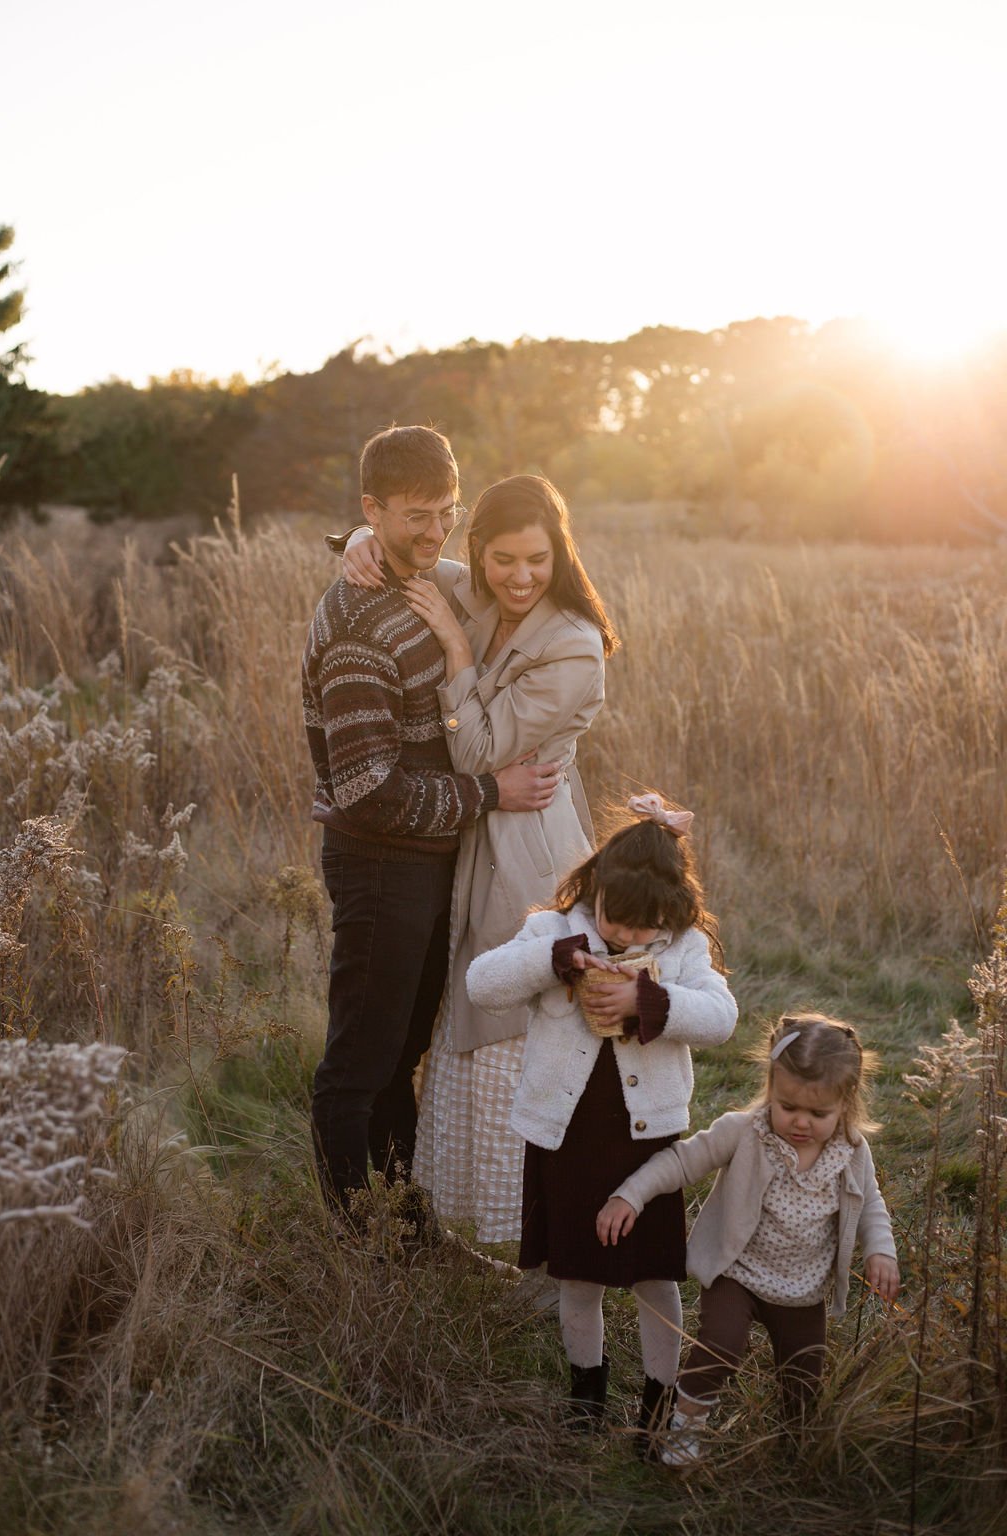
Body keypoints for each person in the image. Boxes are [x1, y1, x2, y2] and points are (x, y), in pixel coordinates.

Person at [340, 473, 617, 1243]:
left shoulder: (572, 647)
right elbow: (403, 552)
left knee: (510, 1026)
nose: (519, 577)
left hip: (527, 854)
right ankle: (459, 1222)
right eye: (502, 560)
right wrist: (360, 543)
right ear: (479, 552)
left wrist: (456, 648)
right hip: (464, 842)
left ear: (558, 553)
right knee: (453, 1025)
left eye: (536, 559)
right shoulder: (472, 590)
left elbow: (481, 754)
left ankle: (523, 1232)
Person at [301, 426, 561, 1214]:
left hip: (426, 856)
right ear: (372, 508)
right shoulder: (353, 627)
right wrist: (489, 792)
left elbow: (497, 572)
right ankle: (357, 1245)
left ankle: (398, 1216)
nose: (434, 529)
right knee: (362, 1060)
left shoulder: (419, 579)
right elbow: (368, 791)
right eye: (416, 514)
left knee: (403, 1049)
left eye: (445, 509)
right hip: (380, 861)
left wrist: (364, 541)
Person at [465, 794, 738, 1448]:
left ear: (670, 912)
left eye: (644, 928)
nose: (625, 937)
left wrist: (651, 998)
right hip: (570, 1137)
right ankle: (584, 1393)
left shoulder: (686, 947)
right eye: (616, 918)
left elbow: (722, 1018)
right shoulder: (556, 931)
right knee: (578, 1276)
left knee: (653, 1276)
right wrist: (555, 962)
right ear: (597, 886)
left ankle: (659, 1401)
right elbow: (482, 983)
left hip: (647, 1143)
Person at [597, 1012, 901, 1466]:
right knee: (721, 1343)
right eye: (788, 1106)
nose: (801, 1122)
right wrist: (631, 1195)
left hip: (803, 1288)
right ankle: (684, 1427)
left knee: (802, 1377)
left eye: (818, 1113)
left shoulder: (851, 1152)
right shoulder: (745, 1133)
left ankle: (793, 1452)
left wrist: (880, 1250)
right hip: (736, 1273)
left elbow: (870, 1204)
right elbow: (682, 1161)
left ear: (846, 1102)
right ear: (771, 1087)